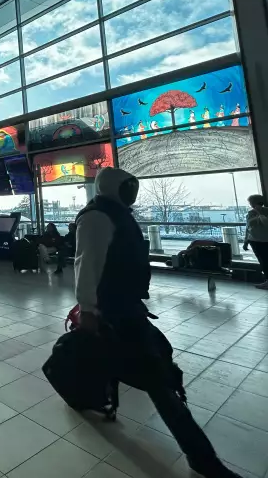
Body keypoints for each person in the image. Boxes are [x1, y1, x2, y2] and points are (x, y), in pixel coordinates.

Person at [75, 167, 240, 478]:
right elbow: (86, 263)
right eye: (128, 187)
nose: (133, 192)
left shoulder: (118, 213)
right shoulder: (97, 217)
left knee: (116, 358)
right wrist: (87, 309)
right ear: (113, 188)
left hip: (126, 306)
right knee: (160, 380)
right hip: (115, 309)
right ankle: (202, 458)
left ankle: (101, 400)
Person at [244, 194, 268, 289]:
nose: (250, 204)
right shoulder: (250, 213)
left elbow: (265, 224)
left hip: (265, 241)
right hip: (254, 241)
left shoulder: (266, 211)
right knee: (262, 261)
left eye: (251, 202)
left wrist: (259, 212)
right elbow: (248, 227)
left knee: (266, 261)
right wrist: (246, 241)